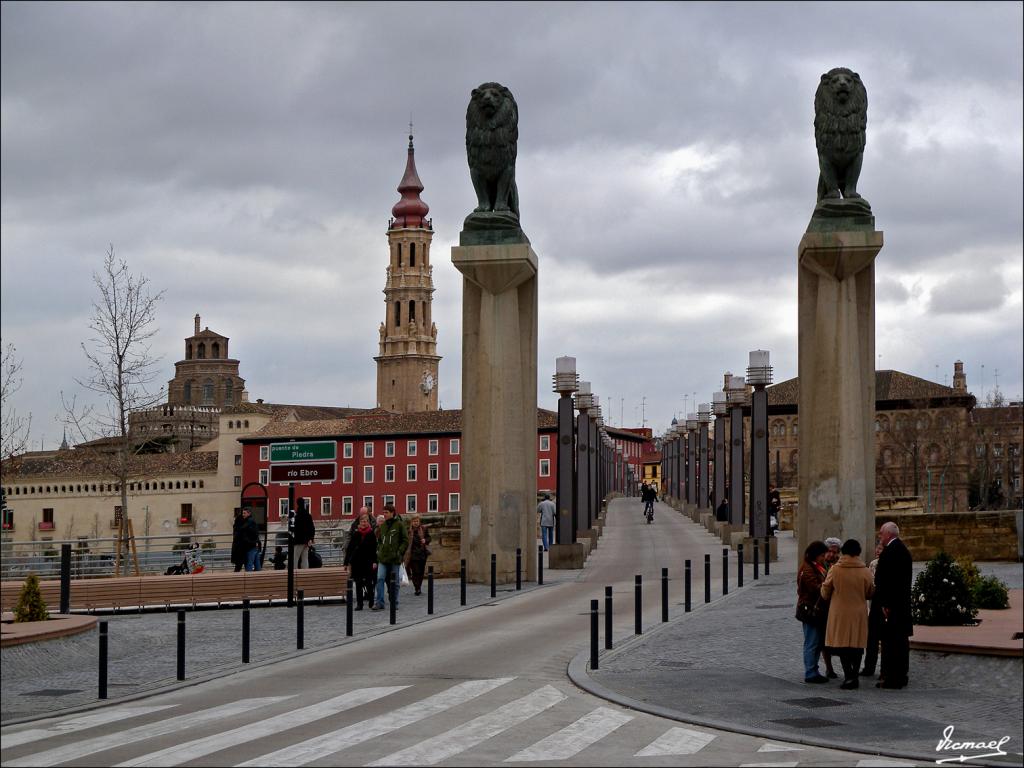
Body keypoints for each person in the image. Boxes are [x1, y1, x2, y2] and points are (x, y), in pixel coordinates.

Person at [820, 539, 874, 690]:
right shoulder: (865, 570)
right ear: (858, 552)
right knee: (857, 645)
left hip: (839, 612)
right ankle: (854, 675)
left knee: (842, 645)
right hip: (858, 612)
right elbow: (870, 592)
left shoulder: (835, 569)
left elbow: (825, 591)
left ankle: (849, 676)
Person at [873, 521, 913, 689]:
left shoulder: (892, 552)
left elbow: (889, 581)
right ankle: (900, 675)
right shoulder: (902, 550)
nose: (880, 536)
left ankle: (892, 678)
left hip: (892, 607)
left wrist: (886, 604)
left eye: (881, 533)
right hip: (901, 605)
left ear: (888, 534)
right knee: (901, 643)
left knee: (892, 644)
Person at [796, 540, 830, 684]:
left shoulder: (817, 566)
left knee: (816, 641)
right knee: (811, 641)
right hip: (810, 609)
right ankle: (810, 672)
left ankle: (813, 669)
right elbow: (815, 587)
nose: (824, 558)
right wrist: (827, 586)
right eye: (822, 555)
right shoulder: (808, 568)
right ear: (816, 555)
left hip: (816, 609)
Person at [373, 504, 408, 611]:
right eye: (383, 512)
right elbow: (379, 540)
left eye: (386, 512)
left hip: (394, 558)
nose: (384, 514)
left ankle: (395, 602)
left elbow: (405, 540)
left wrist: (399, 552)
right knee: (379, 579)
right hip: (383, 558)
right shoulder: (382, 526)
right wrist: (379, 550)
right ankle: (379, 602)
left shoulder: (399, 525)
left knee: (395, 582)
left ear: (392, 513)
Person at [344, 511, 378, 610]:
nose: (364, 523)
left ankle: (371, 602)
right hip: (357, 562)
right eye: (362, 521)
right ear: (359, 523)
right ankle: (360, 604)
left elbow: (374, 549)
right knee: (358, 584)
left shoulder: (371, 534)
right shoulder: (356, 534)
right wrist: (346, 563)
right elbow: (350, 548)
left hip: (368, 562)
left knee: (369, 584)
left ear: (368, 523)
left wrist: (375, 562)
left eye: (366, 521)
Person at [861, 541, 885, 676]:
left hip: (880, 603)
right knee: (872, 639)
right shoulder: (873, 564)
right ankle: (869, 666)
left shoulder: (882, 564)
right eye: (877, 548)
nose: (877, 550)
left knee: (876, 638)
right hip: (874, 604)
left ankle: (875, 667)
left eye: (880, 548)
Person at [820, 536, 843, 679]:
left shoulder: (841, 565)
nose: (832, 555)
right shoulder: (820, 565)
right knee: (824, 639)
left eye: (835, 552)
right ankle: (829, 668)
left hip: (838, 607)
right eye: (829, 551)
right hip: (825, 607)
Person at [404, 514, 432, 596]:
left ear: (419, 522)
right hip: (412, 554)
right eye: (414, 521)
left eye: (417, 521)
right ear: (411, 522)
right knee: (415, 571)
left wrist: (425, 540)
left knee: (421, 571)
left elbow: (429, 538)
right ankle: (417, 587)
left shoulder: (423, 529)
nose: (415, 523)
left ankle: (418, 586)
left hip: (422, 553)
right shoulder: (409, 531)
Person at [232, 508, 261, 572]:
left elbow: (243, 530)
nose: (243, 515)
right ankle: (259, 579)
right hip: (254, 545)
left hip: (250, 547)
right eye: (242, 513)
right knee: (257, 565)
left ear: (249, 513)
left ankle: (249, 580)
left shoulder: (249, 521)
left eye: (244, 513)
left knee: (249, 565)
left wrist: (249, 542)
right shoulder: (250, 521)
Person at [292, 500, 315, 569]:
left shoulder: (296, 516)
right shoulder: (308, 515)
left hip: (298, 540)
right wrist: (311, 538)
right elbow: (312, 528)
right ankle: (305, 573)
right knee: (305, 558)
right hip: (307, 541)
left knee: (295, 558)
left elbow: (294, 528)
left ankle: (294, 574)